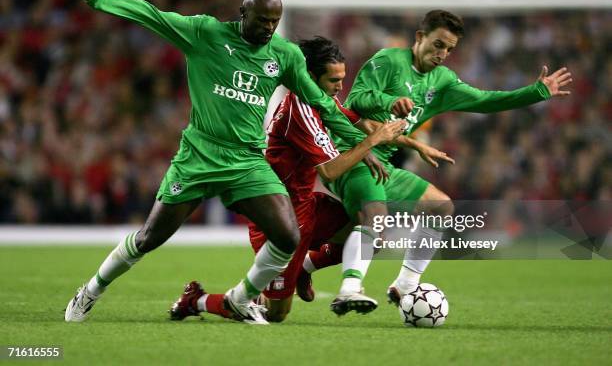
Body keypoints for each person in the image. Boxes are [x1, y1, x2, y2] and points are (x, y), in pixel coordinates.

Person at [64, 0, 389, 325]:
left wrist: (358, 142)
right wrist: (102, 2)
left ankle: (239, 299)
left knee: (288, 236)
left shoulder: (285, 55)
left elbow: (323, 105)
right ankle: (91, 290)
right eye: (262, 20)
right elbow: (152, 15)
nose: (268, 28)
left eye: (274, 22)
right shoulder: (206, 33)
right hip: (199, 157)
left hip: (247, 161)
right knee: (149, 238)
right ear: (243, 12)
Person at [168, 36, 452, 322]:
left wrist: (414, 144)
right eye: (333, 80)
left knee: (369, 225)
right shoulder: (300, 110)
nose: (341, 87)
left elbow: (359, 122)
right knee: (275, 313)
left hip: (307, 206)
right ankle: (198, 300)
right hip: (280, 220)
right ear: (311, 77)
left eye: (342, 78)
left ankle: (304, 268)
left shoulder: (321, 100)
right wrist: (371, 143)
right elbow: (329, 170)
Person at [326, 9, 572, 313]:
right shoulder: (389, 60)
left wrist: (536, 92)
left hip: (385, 165)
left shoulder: (442, 81)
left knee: (440, 207)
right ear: (420, 37)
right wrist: (390, 101)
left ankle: (404, 285)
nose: (443, 53)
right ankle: (349, 290)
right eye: (438, 44)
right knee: (375, 218)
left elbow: (485, 100)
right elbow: (356, 99)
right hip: (352, 153)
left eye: (450, 49)